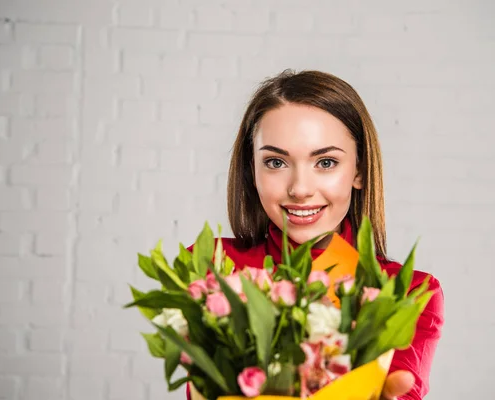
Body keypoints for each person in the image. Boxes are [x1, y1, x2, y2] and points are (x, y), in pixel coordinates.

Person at [186, 69, 444, 400]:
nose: (300, 189)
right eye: (276, 162)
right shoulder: (213, 269)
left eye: (325, 162)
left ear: (360, 170)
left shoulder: (407, 294)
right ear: (251, 170)